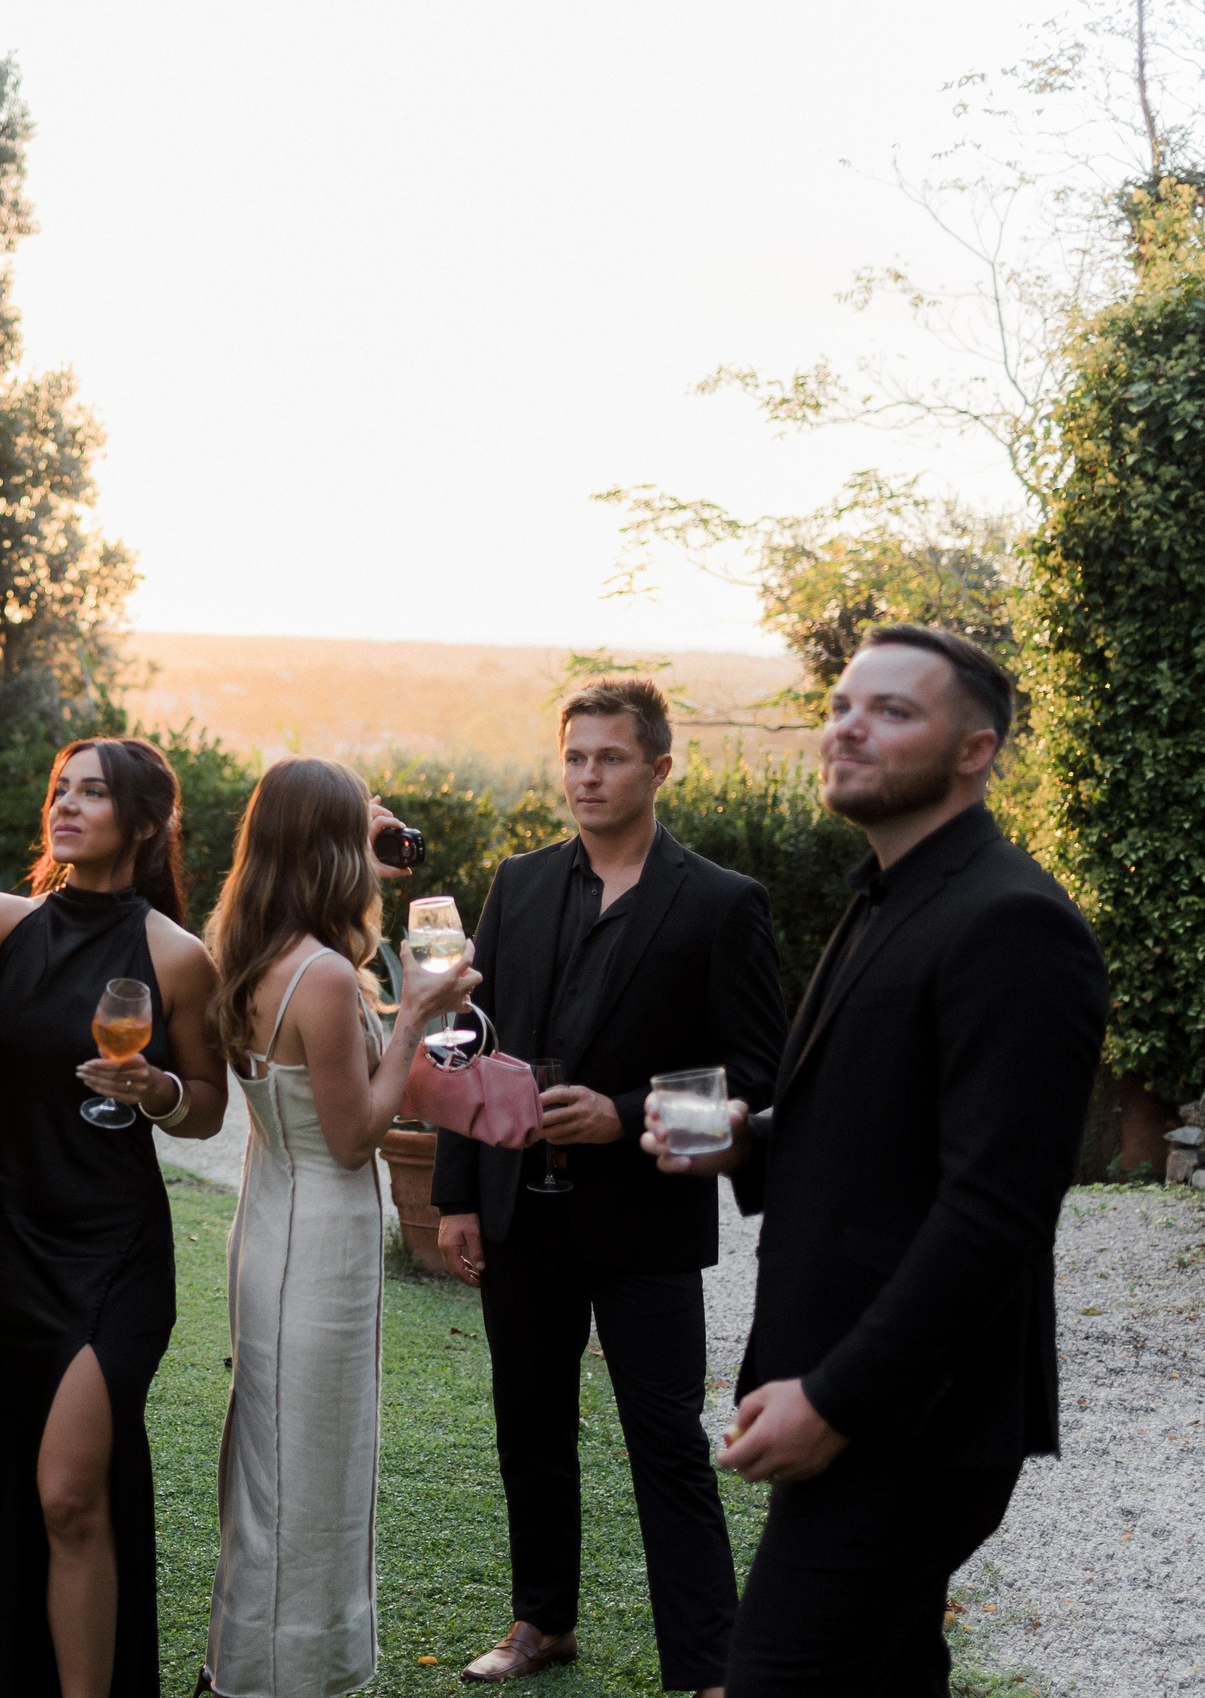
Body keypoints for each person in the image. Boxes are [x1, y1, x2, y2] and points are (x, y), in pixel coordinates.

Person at [641, 627, 1107, 1697]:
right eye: (844, 703)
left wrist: (839, 1400)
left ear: (973, 750)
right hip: (866, 1405)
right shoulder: (887, 893)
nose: (848, 724)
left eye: (893, 711)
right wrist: (742, 1141)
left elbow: (993, 1211)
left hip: (915, 1426)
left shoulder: (1014, 922)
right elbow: (880, 1128)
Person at [430, 678, 785, 1692]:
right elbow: (465, 1046)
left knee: (666, 1442)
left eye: (611, 758)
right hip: (517, 1214)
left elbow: (758, 1079)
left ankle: (707, 1663)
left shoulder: (721, 904)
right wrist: (456, 1192)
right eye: (575, 756)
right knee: (528, 1427)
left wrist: (626, 1114)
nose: (588, 776)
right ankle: (542, 1621)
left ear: (659, 768)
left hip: (646, 1219)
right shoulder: (518, 883)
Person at [0, 737, 230, 1698]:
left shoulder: (177, 956)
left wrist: (154, 1087)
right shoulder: (0, 921)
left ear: (144, 822)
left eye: (93, 793)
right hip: (8, 1244)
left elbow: (207, 1106)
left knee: (70, 1490)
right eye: (60, 790)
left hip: (113, 1251)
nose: (65, 806)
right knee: (33, 1487)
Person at [199, 758, 479, 1698]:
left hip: (273, 1219)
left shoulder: (254, 944)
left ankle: (255, 1663)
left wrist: (368, 867)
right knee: (307, 1476)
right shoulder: (320, 976)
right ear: (326, 844)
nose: (380, 837)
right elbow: (358, 1135)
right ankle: (288, 1675)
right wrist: (415, 1019)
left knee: (277, 1461)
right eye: (361, 824)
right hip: (317, 1240)